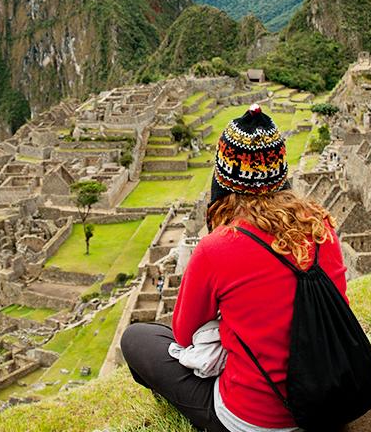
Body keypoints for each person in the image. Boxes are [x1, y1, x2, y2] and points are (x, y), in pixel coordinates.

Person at [121, 104, 348, 432]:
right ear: (281, 175)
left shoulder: (217, 248)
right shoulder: (320, 226)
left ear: (224, 180)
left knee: (138, 338)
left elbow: (185, 335)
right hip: (330, 399)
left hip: (254, 420)